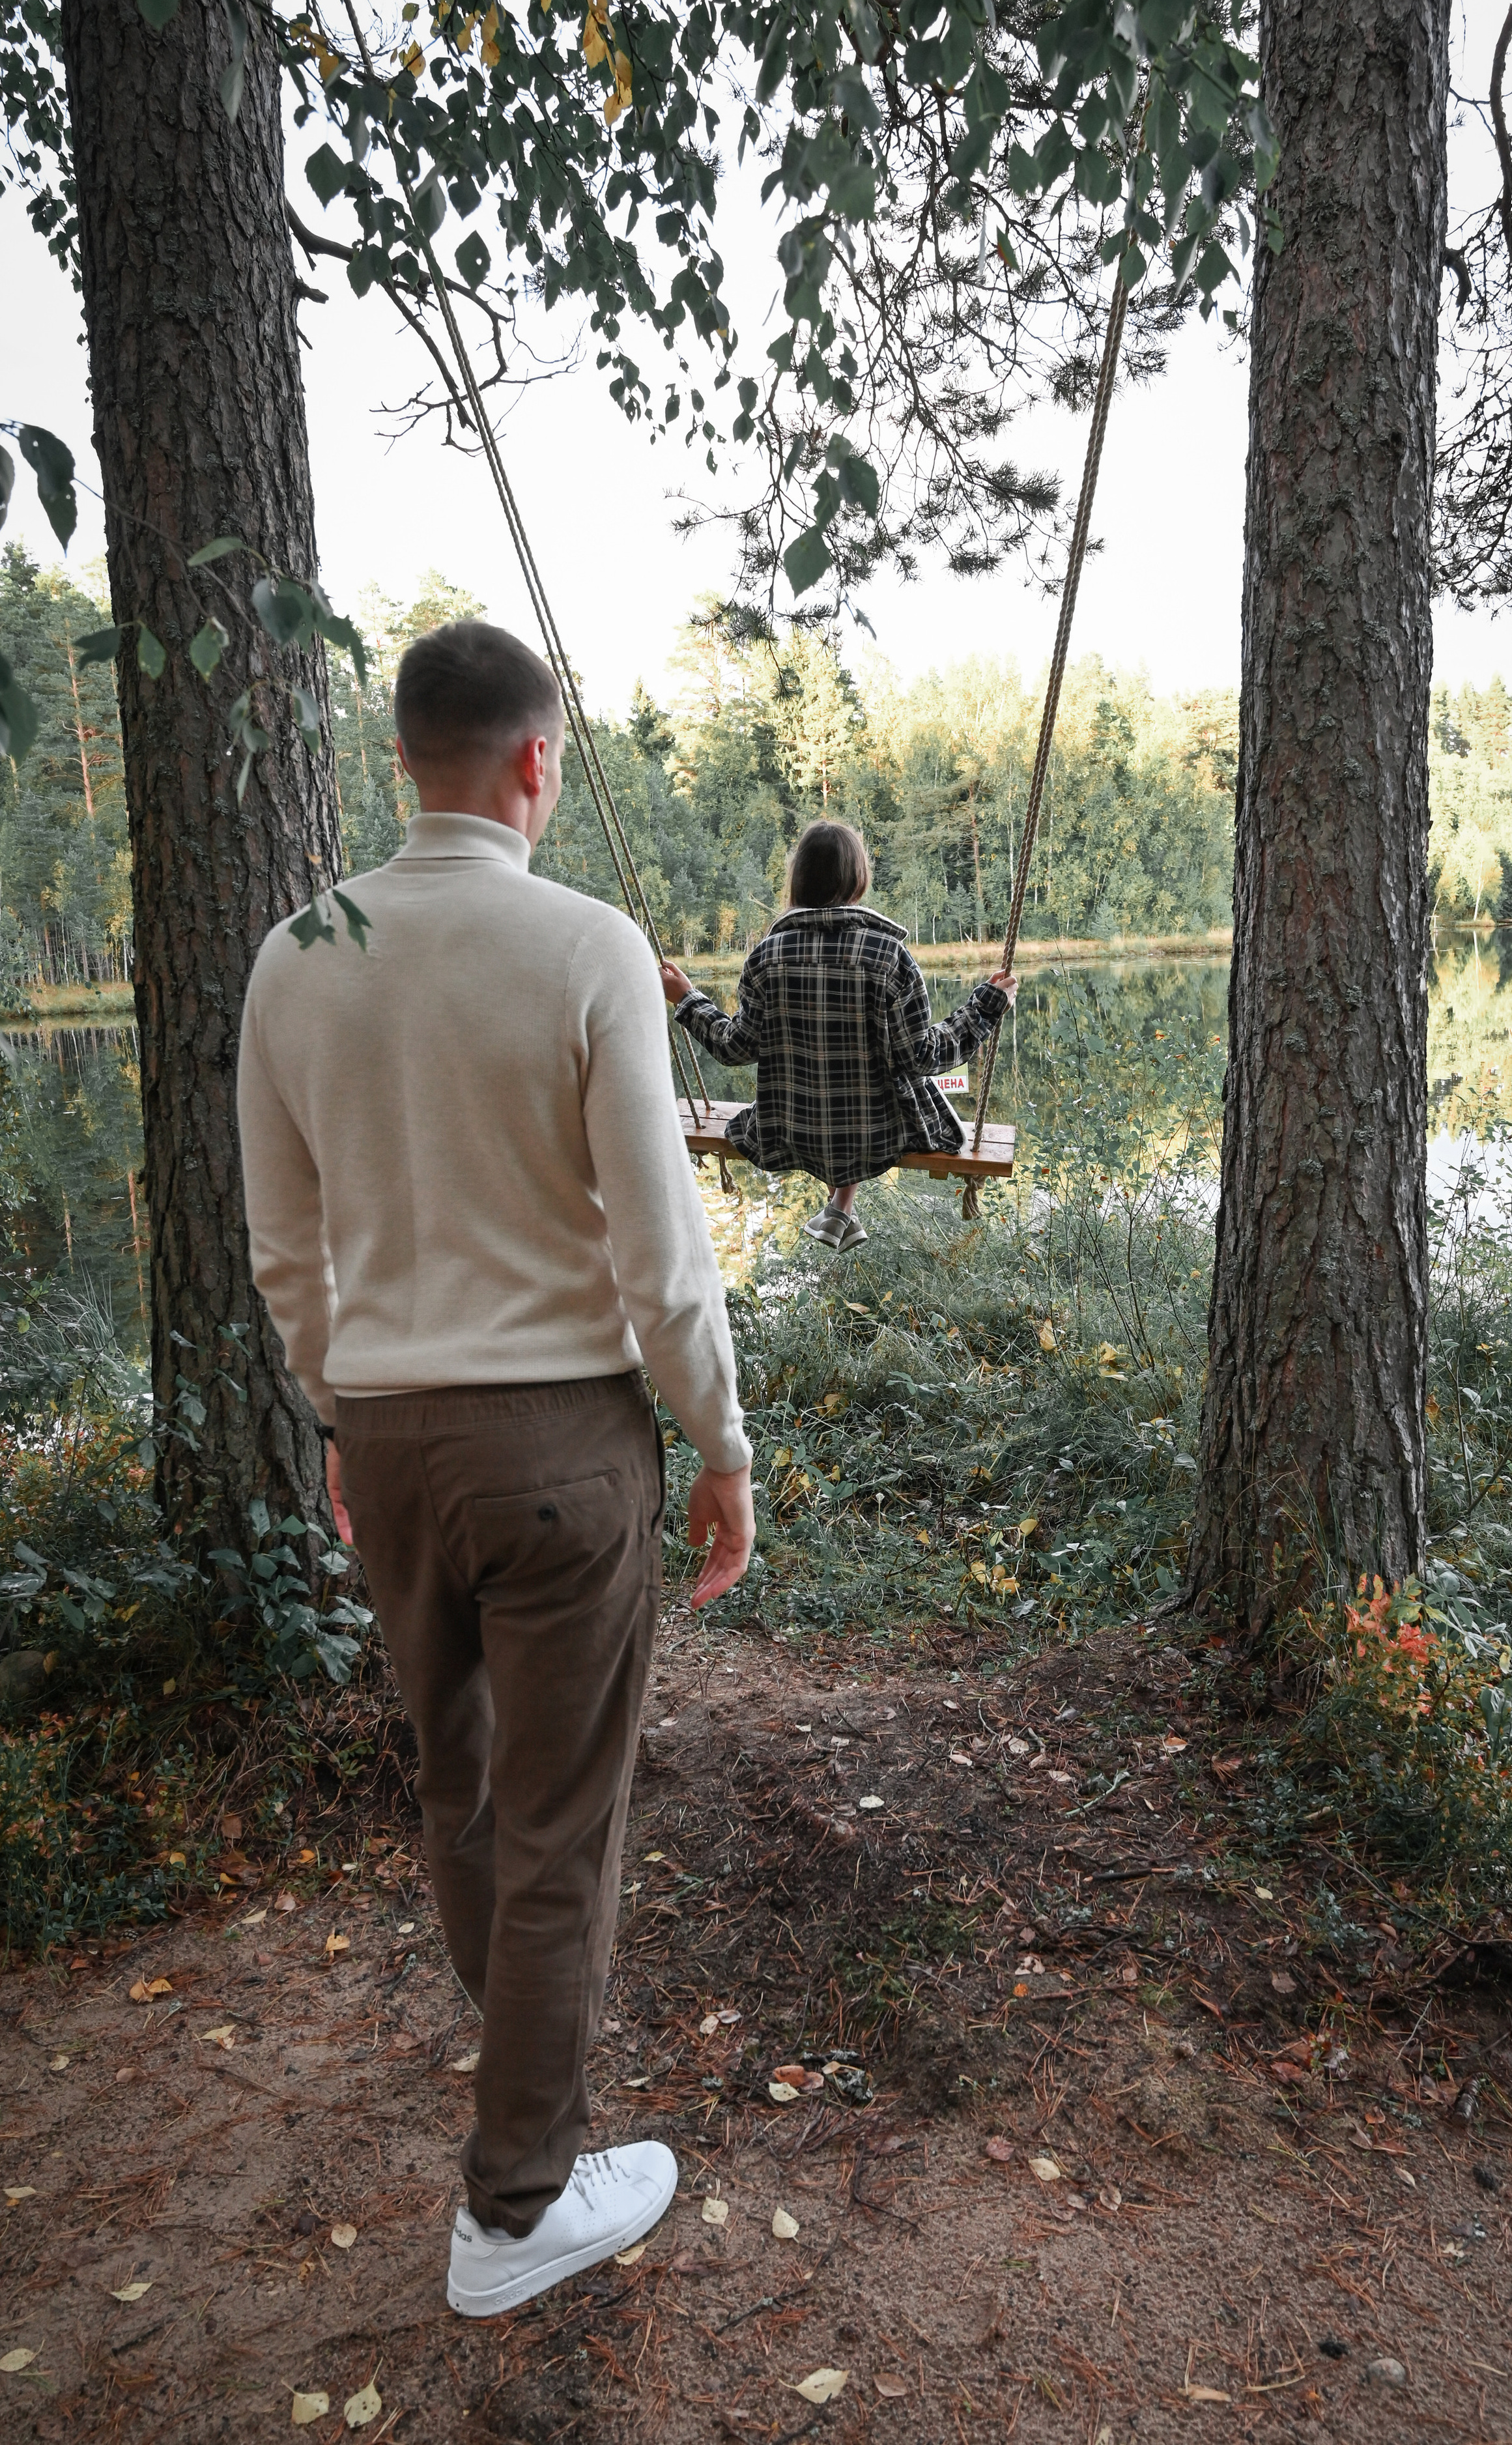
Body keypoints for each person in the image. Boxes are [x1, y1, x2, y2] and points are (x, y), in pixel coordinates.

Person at [236, 620, 754, 2318]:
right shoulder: (589, 945)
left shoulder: (295, 957)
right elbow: (663, 1254)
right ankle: (517, 2200)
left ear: (405, 758)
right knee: (558, 1823)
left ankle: (523, 2072)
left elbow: (282, 1247)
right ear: (539, 762)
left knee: (461, 1787)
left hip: (385, 1442)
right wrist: (720, 1443)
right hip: (559, 1448)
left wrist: (339, 1411)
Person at [661, 818, 1017, 1251]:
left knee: (829, 1082)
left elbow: (735, 1047)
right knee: (897, 1081)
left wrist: (688, 999)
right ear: (858, 880)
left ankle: (840, 1207)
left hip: (793, 1131)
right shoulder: (890, 957)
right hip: (877, 1136)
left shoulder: (765, 958)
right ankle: (841, 1206)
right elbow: (923, 1056)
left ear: (800, 879)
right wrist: (986, 1006)